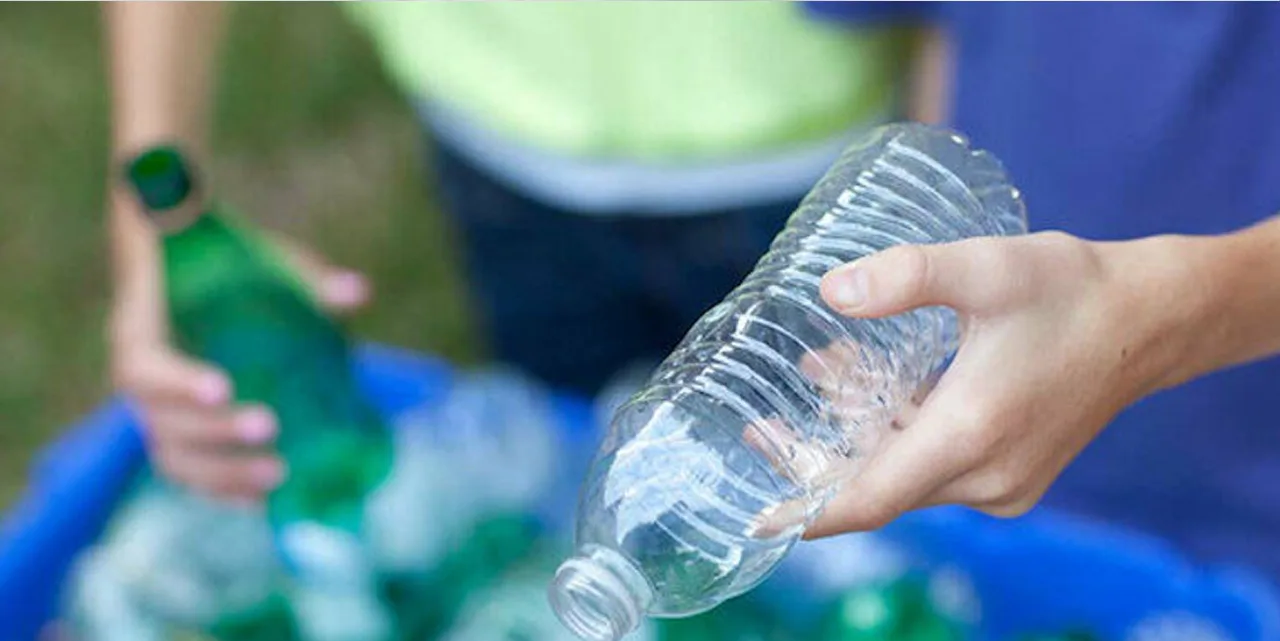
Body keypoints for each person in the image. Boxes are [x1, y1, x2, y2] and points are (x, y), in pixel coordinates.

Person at [106, 3, 910, 501]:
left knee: (833, 497)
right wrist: (158, 220)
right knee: (583, 465)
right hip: (492, 138)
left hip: (806, 158)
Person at [802, 4, 1280, 582]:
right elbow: (947, 28)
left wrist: (1159, 320)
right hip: (989, 432)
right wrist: (924, 307)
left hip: (1246, 489)